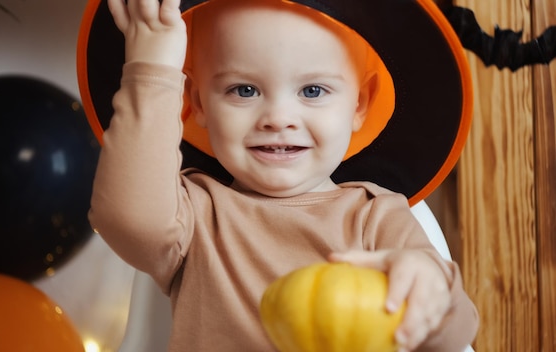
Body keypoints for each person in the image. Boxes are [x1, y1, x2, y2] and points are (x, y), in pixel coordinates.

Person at [88, 0, 479, 351]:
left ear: (360, 103)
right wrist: (153, 70)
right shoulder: (194, 215)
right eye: (243, 90)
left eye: (311, 91)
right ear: (196, 102)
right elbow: (126, 220)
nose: (278, 119)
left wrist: (431, 293)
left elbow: (457, 334)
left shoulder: (376, 217)